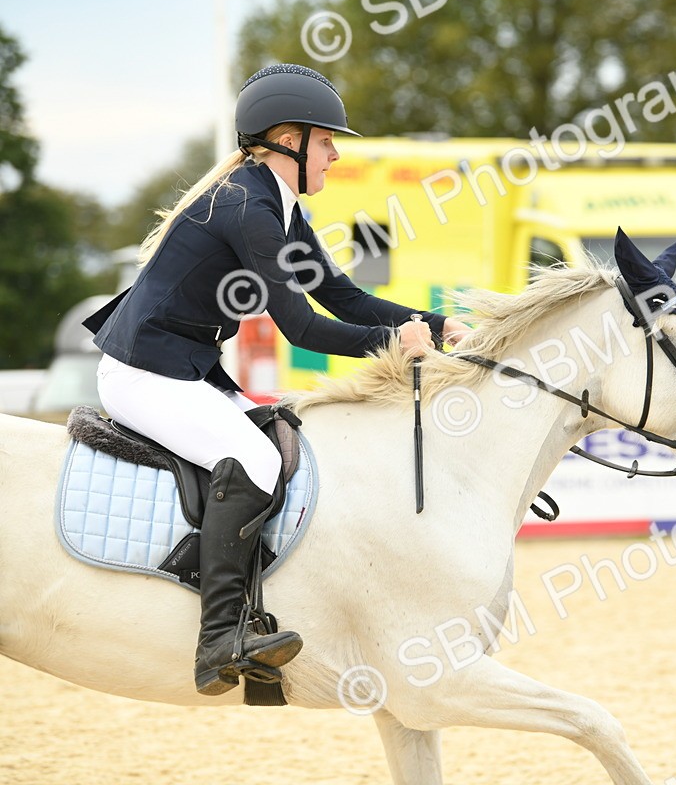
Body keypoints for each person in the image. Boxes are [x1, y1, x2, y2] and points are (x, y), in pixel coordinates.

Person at [83, 64, 472, 695]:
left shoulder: (272, 205)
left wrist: (438, 323)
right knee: (255, 460)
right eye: (326, 141)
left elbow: (341, 296)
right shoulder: (249, 208)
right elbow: (302, 328)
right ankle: (219, 639)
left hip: (186, 369)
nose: (336, 153)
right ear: (286, 139)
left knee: (285, 438)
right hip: (144, 374)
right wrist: (393, 344)